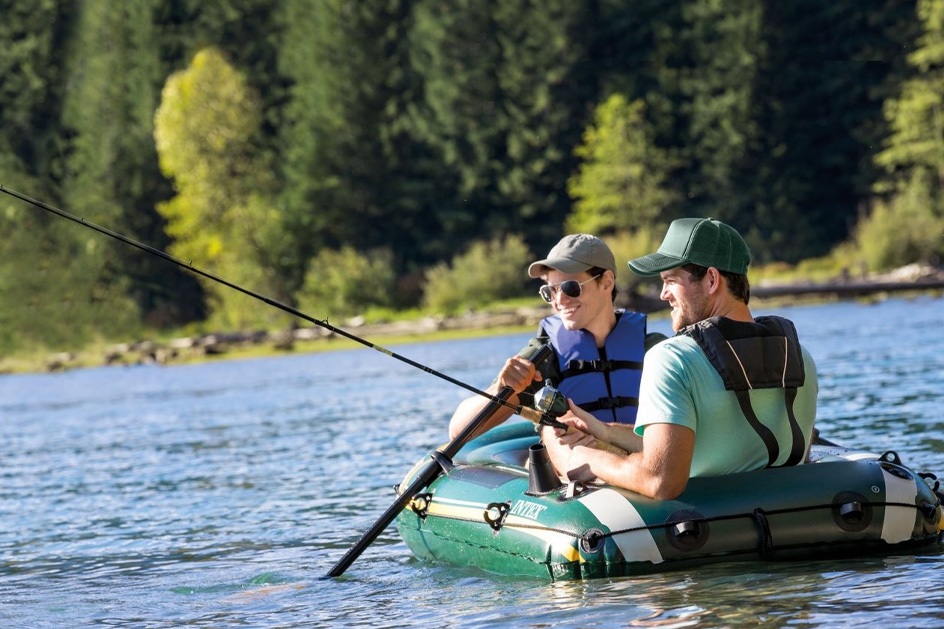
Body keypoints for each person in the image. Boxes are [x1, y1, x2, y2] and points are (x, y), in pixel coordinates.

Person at [542, 218, 818, 500]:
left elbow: (660, 481)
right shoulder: (799, 358)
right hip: (795, 521)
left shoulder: (671, 359)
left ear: (712, 280)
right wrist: (604, 431)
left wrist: (583, 460)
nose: (663, 295)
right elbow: (723, 438)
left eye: (670, 281)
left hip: (708, 534)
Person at [448, 234, 665, 439]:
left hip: (644, 463)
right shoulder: (543, 356)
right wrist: (500, 389)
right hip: (578, 471)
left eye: (570, 288)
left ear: (606, 282)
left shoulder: (655, 350)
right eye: (550, 291)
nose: (559, 300)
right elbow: (458, 430)